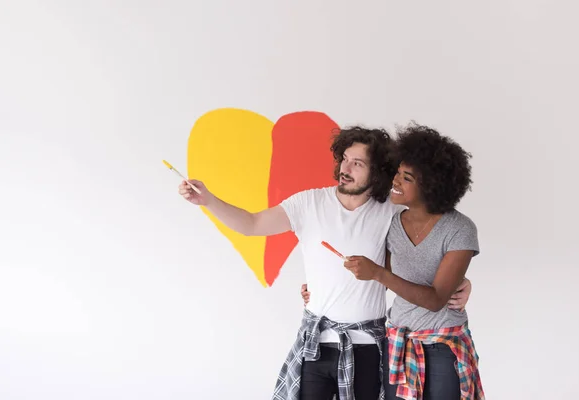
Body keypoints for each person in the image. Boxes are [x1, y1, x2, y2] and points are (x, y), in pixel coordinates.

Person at [178, 126, 473, 400]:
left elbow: (420, 253)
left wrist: (461, 283)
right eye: (345, 159)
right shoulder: (308, 203)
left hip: (368, 347)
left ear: (378, 172)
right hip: (315, 344)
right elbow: (252, 224)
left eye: (357, 163)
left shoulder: (390, 213)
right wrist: (209, 201)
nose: (345, 168)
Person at [304, 123, 484, 399]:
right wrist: (317, 286)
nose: (396, 182)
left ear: (431, 186)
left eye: (407, 178)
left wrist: (378, 273)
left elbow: (435, 300)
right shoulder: (392, 222)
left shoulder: (459, 228)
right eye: (397, 173)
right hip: (397, 342)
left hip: (442, 345)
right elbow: (381, 276)